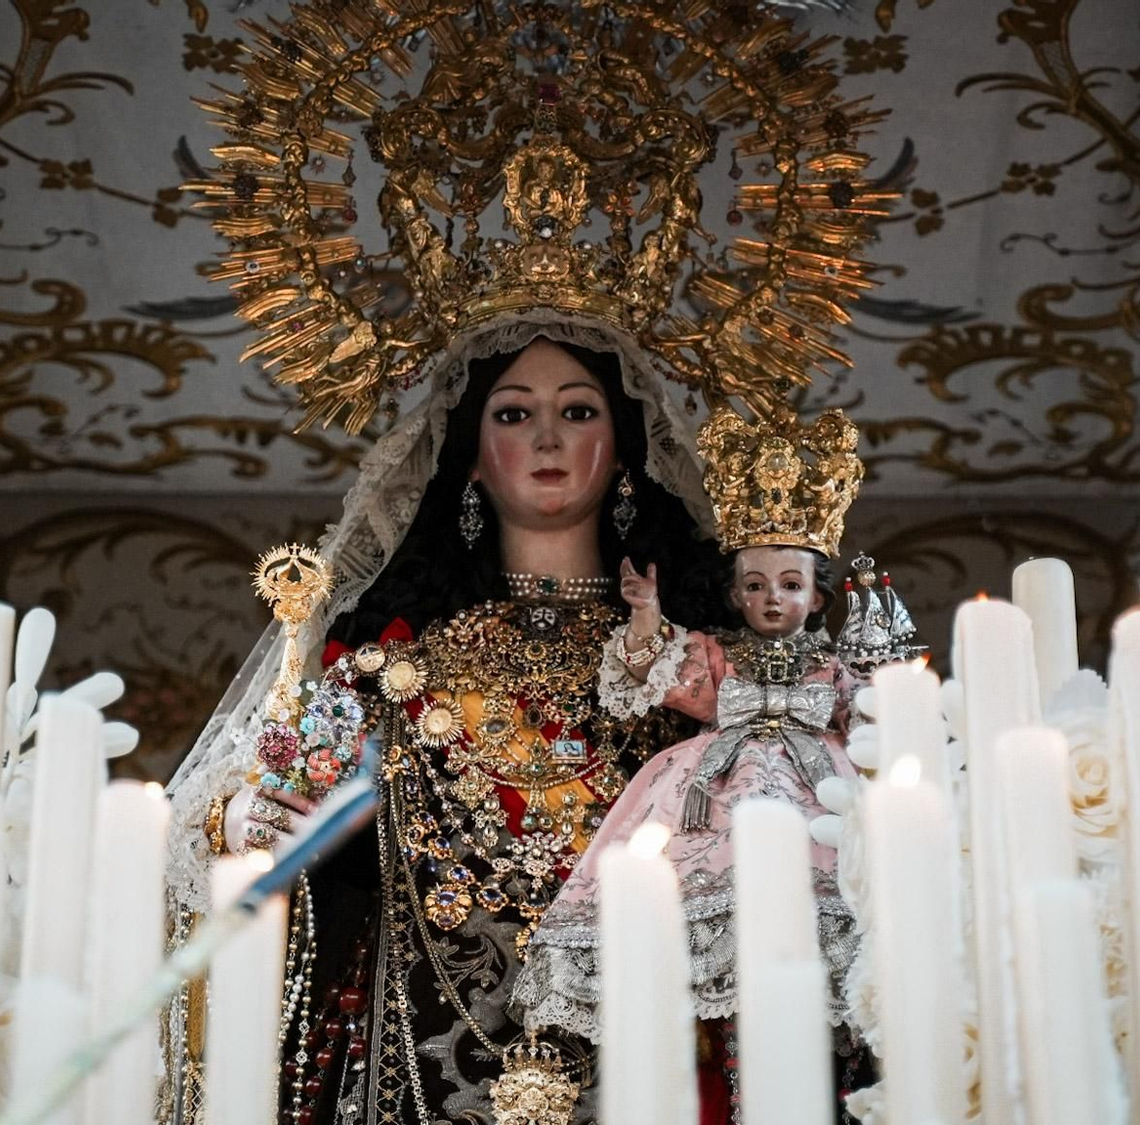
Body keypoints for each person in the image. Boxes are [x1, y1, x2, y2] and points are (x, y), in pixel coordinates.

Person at [172, 330, 730, 1125]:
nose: (546, 438)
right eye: (512, 414)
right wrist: (240, 821)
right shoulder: (396, 671)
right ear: (470, 455)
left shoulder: (682, 671)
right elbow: (262, 794)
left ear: (624, 452)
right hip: (418, 1061)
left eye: (577, 411)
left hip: (647, 1055)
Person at [511, 408, 873, 1114]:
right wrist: (646, 614)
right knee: (709, 936)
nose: (774, 598)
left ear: (818, 595)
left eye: (791, 584)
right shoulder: (716, 653)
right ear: (736, 593)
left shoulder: (831, 664)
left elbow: (872, 716)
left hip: (818, 803)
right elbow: (653, 671)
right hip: (710, 796)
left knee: (820, 946)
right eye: (758, 584)